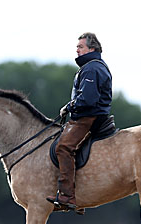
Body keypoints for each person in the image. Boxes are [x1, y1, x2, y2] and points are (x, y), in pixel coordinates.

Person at [46, 32, 112, 210]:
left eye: (80, 47)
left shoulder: (92, 68)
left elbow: (88, 99)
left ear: (92, 48)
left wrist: (69, 107)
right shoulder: (93, 66)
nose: (77, 49)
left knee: (63, 148)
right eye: (77, 47)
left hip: (88, 117)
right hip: (89, 115)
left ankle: (67, 195)